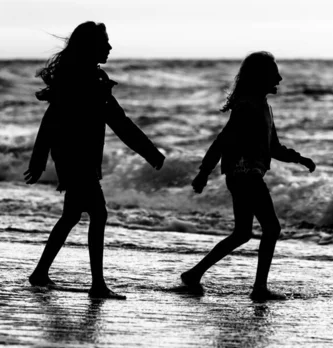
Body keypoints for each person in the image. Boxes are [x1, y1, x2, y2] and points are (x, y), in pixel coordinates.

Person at [24, 21, 165, 299]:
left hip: (78, 156)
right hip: (75, 157)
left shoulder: (92, 79)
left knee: (72, 216)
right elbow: (51, 120)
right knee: (98, 214)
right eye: (105, 43)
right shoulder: (81, 80)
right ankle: (97, 285)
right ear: (90, 47)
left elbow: (118, 121)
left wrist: (149, 151)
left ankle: (41, 273)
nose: (110, 47)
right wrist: (38, 159)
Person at [181, 51, 315, 301]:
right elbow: (222, 140)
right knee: (272, 228)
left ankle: (194, 274)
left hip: (242, 175)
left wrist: (299, 158)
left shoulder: (263, 106)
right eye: (274, 73)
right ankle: (259, 289)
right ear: (259, 76)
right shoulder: (247, 106)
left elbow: (273, 148)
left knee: (243, 233)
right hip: (245, 174)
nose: (280, 78)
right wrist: (203, 172)